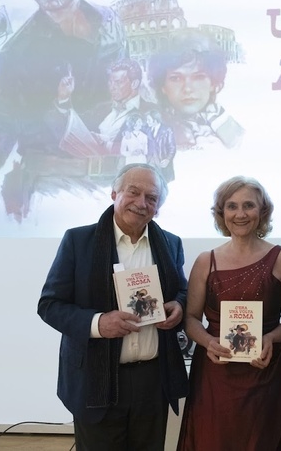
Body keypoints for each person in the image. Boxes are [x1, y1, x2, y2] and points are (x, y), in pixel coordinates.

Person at [0, 0, 128, 220]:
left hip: (117, 186)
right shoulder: (16, 53)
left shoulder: (110, 23)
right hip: (53, 191)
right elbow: (2, 122)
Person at [38, 163, 189, 450]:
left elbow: (182, 291)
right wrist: (98, 323)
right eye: (133, 192)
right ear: (114, 194)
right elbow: (50, 305)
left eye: (151, 198)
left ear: (158, 207)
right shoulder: (78, 241)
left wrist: (179, 306)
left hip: (153, 380)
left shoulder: (171, 244)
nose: (141, 203)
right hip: (96, 379)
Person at [177, 176, 281, 451]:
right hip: (215, 374)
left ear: (263, 211)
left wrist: (270, 338)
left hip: (266, 371)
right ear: (221, 213)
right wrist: (208, 342)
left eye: (249, 205)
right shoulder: (205, 261)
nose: (240, 214)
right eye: (232, 206)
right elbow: (191, 319)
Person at [147, 29, 244, 150]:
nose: (187, 89)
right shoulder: (153, 127)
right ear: (163, 86)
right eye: (176, 78)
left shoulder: (226, 123)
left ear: (213, 83)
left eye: (199, 77)